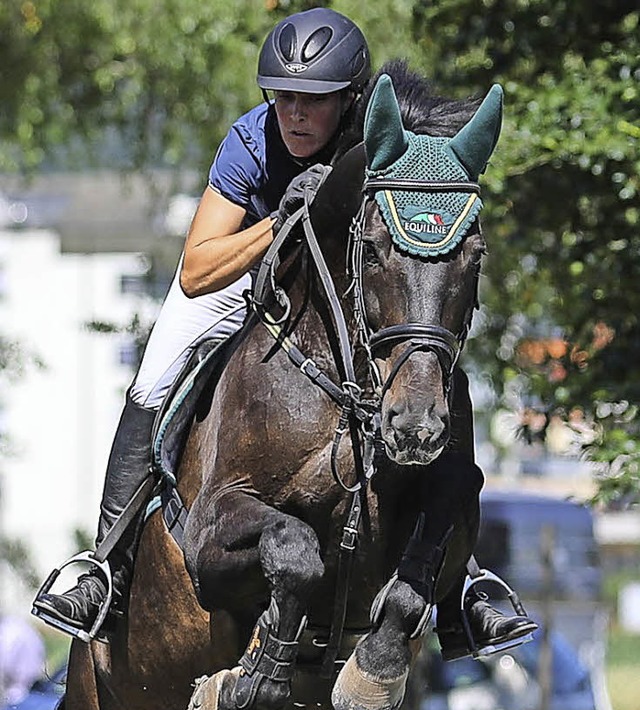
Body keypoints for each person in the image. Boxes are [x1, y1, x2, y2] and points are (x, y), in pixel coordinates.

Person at [32, 8, 535, 660]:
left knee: (432, 369)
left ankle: (458, 584)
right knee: (155, 373)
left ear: (350, 100)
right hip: (243, 281)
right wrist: (277, 225)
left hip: (348, 301)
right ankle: (108, 568)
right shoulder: (250, 141)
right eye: (283, 96)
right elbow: (196, 270)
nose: (294, 114)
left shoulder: (380, 138)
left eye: (313, 101)